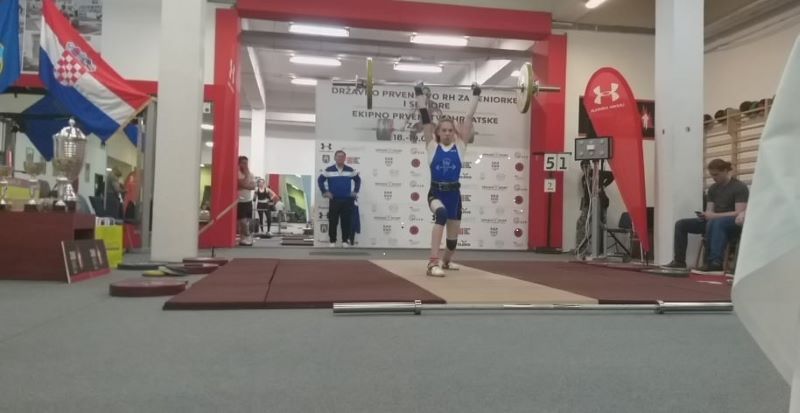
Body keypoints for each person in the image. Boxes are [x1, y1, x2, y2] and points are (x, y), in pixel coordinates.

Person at [417, 81, 480, 277]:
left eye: (450, 130)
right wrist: (419, 94)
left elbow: (468, 118)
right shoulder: (432, 146)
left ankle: (445, 261)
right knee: (441, 214)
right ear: (437, 132)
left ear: (454, 133)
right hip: (435, 193)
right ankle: (432, 263)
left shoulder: (460, 147)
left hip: (454, 196)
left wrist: (476, 94)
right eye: (443, 130)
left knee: (452, 242)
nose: (446, 133)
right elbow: (425, 118)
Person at [663, 159, 749, 272]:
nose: (714, 178)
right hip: (714, 222)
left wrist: (713, 216)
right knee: (681, 224)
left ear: (725, 171)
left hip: (732, 222)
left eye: (716, 175)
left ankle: (715, 262)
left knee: (717, 222)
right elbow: (710, 211)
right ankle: (679, 261)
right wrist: (705, 215)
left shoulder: (739, 187)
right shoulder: (713, 189)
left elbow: (738, 212)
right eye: (712, 175)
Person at [317, 150, 361, 247]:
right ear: (335, 158)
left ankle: (345, 241)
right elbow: (320, 180)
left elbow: (358, 180)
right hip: (334, 200)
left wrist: (355, 191)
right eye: (338, 156)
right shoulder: (329, 170)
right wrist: (324, 191)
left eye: (342, 156)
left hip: (347, 201)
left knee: (346, 222)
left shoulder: (350, 170)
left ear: (345, 158)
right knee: (333, 222)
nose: (340, 158)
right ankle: (332, 241)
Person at [575, 160, 614, 254]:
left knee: (601, 226)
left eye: (586, 167)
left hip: (601, 203)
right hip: (588, 205)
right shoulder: (584, 178)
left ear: (590, 166)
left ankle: (601, 250)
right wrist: (584, 206)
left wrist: (603, 185)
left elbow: (612, 175)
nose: (585, 169)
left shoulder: (597, 173)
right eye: (583, 168)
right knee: (581, 223)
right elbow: (586, 193)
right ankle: (581, 248)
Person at [237, 156, 256, 246]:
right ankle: (247, 236)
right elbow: (243, 184)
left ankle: (243, 239)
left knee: (247, 222)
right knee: (242, 222)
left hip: (248, 201)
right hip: (239, 201)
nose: (245, 165)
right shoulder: (237, 173)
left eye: (246, 163)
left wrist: (244, 185)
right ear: (239, 164)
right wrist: (246, 177)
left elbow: (253, 186)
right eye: (243, 163)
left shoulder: (251, 174)